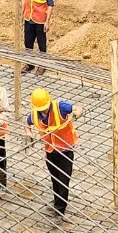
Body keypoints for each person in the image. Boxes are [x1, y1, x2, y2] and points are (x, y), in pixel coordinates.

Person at [24, 88, 82, 225]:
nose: (43, 111)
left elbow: (77, 108)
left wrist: (76, 113)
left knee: (63, 180)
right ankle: (57, 201)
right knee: (55, 179)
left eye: (45, 108)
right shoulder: (34, 114)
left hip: (65, 150)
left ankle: (60, 211)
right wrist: (28, 133)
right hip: (50, 151)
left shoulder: (59, 107)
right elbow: (27, 123)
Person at [20, 0, 54, 75]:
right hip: (28, 18)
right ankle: (30, 64)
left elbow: (50, 5)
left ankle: (42, 65)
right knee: (28, 43)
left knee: (41, 44)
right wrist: (22, 13)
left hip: (40, 20)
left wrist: (47, 21)